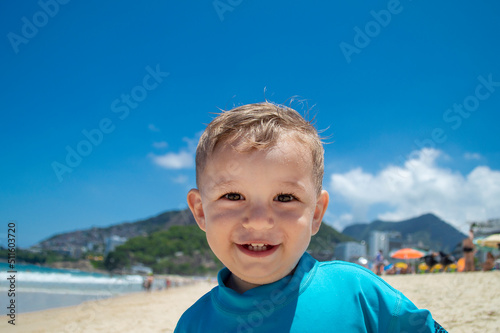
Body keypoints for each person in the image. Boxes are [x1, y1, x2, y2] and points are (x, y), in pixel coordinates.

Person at [175, 102, 447, 332]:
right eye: (233, 196)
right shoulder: (192, 324)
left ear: (316, 213)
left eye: (284, 198)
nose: (258, 220)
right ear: (200, 211)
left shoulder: (356, 292)